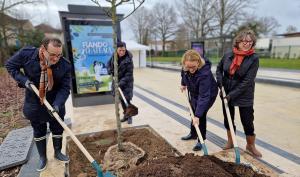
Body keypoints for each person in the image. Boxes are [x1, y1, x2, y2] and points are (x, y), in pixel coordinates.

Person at [5, 37, 71, 171]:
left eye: (59, 55)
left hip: (54, 100)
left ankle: (58, 152)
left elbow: (65, 88)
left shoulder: (65, 65)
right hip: (34, 99)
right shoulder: (27, 54)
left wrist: (58, 105)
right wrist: (24, 80)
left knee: (57, 127)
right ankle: (42, 157)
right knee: (39, 129)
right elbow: (10, 66)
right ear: (43, 49)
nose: (56, 59)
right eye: (52, 55)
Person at [216, 29, 262, 157]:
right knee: (228, 118)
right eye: (244, 41)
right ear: (238, 42)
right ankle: (231, 142)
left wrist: (232, 95)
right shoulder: (228, 55)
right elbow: (219, 69)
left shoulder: (254, 58)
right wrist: (220, 83)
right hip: (226, 91)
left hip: (244, 93)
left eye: (250, 41)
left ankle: (250, 145)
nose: (247, 43)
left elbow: (248, 81)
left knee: (247, 120)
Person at [180, 49, 218, 151]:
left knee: (200, 115)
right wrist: (183, 84)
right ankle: (193, 134)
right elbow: (184, 74)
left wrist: (198, 115)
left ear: (198, 62)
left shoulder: (204, 74)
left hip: (208, 94)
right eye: (188, 67)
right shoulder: (185, 67)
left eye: (193, 67)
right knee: (193, 111)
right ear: (184, 64)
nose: (191, 69)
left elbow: (204, 96)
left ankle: (201, 140)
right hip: (194, 92)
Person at [107, 41, 134, 124]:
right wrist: (110, 71)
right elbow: (108, 64)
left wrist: (120, 83)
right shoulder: (113, 57)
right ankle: (126, 115)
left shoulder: (128, 60)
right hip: (116, 81)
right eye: (120, 50)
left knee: (126, 100)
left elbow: (128, 74)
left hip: (126, 83)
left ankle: (129, 116)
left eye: (123, 50)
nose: (122, 52)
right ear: (116, 50)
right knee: (122, 100)